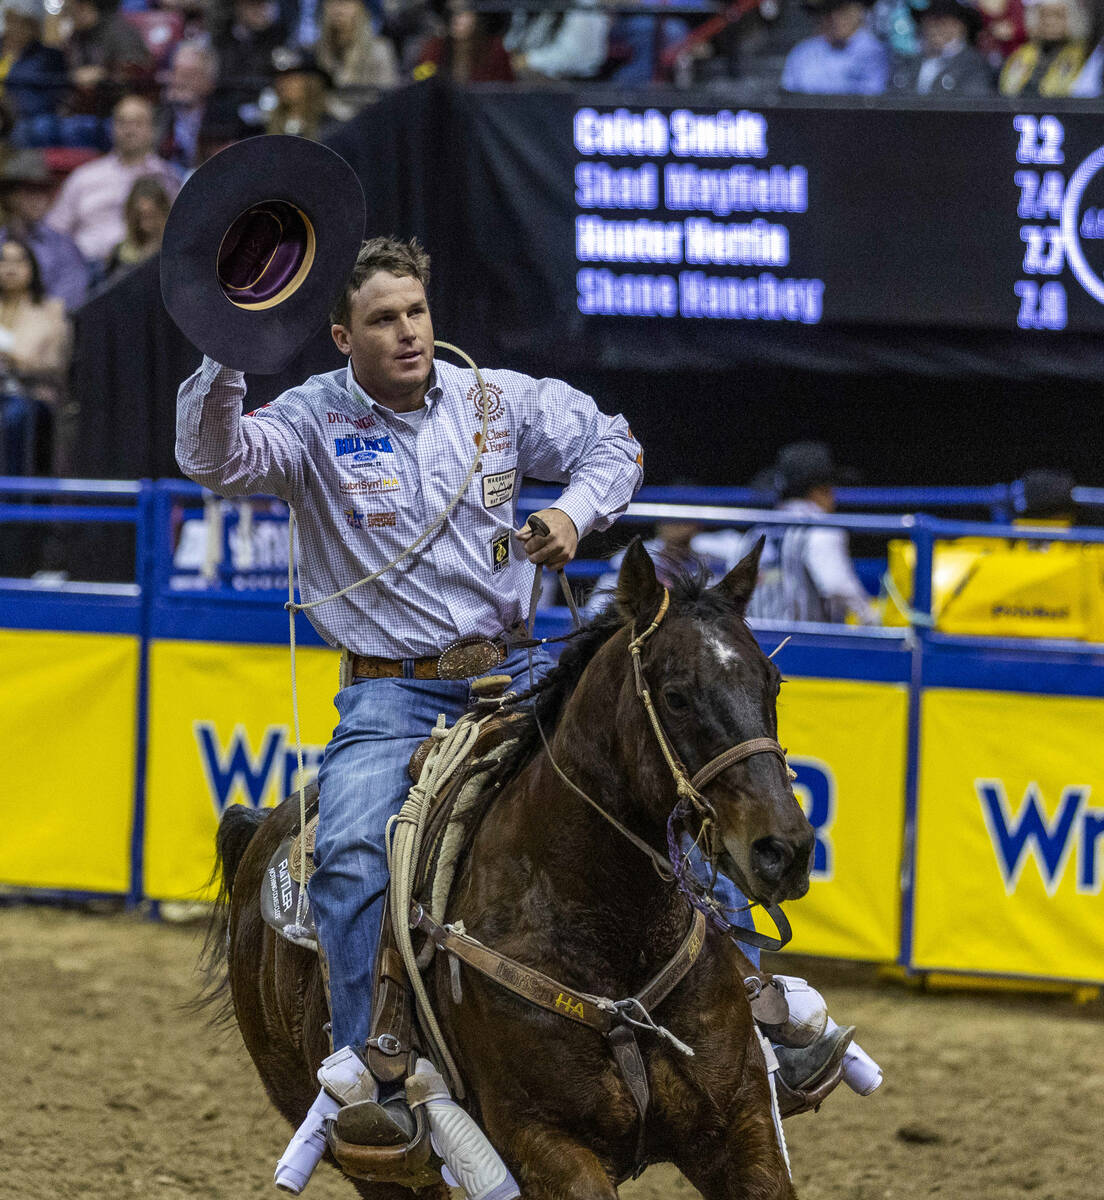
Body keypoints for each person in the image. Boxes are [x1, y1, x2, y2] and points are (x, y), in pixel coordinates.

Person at [175, 235, 645, 1139]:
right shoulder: (311, 421)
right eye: (383, 319)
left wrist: (569, 511)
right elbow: (215, 459)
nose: (407, 332)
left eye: (416, 312)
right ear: (343, 337)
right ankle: (372, 1073)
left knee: (657, 781)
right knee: (350, 850)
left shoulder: (495, 401)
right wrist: (225, 341)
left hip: (521, 670)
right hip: (392, 696)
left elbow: (612, 443)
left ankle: (747, 995)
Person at [745, 441, 876, 624]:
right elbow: (837, 586)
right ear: (820, 490)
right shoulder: (820, 528)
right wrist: (872, 619)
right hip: (806, 646)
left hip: (751, 644)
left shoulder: (755, 532)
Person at [45, 92, 180, 265]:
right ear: (112, 128)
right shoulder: (85, 176)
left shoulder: (167, 178)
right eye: (122, 122)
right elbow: (55, 231)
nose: (129, 130)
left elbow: (178, 233)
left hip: (145, 268)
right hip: (89, 268)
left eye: (137, 123)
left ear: (152, 129)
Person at [0, 236, 70, 474]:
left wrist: (14, 358)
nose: (10, 269)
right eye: (4, 261)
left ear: (31, 267)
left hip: (31, 394)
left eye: (18, 262)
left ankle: (10, 498)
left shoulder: (50, 310)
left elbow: (56, 364)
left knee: (14, 416)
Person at [0, 149, 89, 310]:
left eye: (43, 191)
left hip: (46, 327)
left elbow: (70, 298)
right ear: (10, 196)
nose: (38, 200)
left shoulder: (63, 246)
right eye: (30, 191)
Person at [63, 0, 152, 118]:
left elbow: (138, 68)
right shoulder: (75, 37)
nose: (68, 17)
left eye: (70, 11)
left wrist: (101, 73)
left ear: (83, 7)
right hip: (86, 106)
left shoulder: (119, 31)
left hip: (121, 104)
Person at [781, 0, 890, 93]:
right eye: (830, 10)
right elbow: (788, 96)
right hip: (806, 116)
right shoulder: (803, 52)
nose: (835, 18)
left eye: (843, 10)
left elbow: (873, 97)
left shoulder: (873, 50)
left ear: (858, 12)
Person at [0, 0, 70, 144]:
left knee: (33, 128)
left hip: (26, 115)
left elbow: (53, 98)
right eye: (10, 21)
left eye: (21, 24)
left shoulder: (49, 56)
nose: (14, 28)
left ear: (33, 28)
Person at [315, 0, 397, 118]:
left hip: (367, 122)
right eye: (331, 3)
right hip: (327, 124)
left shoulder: (380, 50)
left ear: (360, 8)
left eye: (346, 3)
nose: (338, 10)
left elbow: (387, 97)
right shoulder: (316, 51)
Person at [891, 0, 994, 93]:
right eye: (931, 21)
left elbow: (973, 104)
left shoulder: (973, 64)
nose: (936, 28)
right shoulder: (908, 64)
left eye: (944, 22)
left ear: (960, 26)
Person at [504, 0, 611, 81]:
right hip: (528, 84)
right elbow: (511, 43)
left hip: (579, 87)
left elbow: (576, 55)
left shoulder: (584, 4)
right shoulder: (527, 6)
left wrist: (527, 60)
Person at [999, 0, 1088, 93]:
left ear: (1073, 19)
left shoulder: (1083, 56)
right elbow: (1007, 89)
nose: (1050, 22)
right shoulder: (1023, 53)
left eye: (1058, 15)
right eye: (1044, 15)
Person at [413, 0, 513, 82]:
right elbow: (420, 84)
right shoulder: (435, 47)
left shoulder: (494, 50)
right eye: (452, 12)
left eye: (463, 12)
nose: (455, 19)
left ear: (478, 17)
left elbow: (505, 93)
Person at [104, 173, 171, 277]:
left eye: (152, 215)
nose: (147, 224)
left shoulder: (175, 251)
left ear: (163, 212)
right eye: (140, 217)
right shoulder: (119, 255)